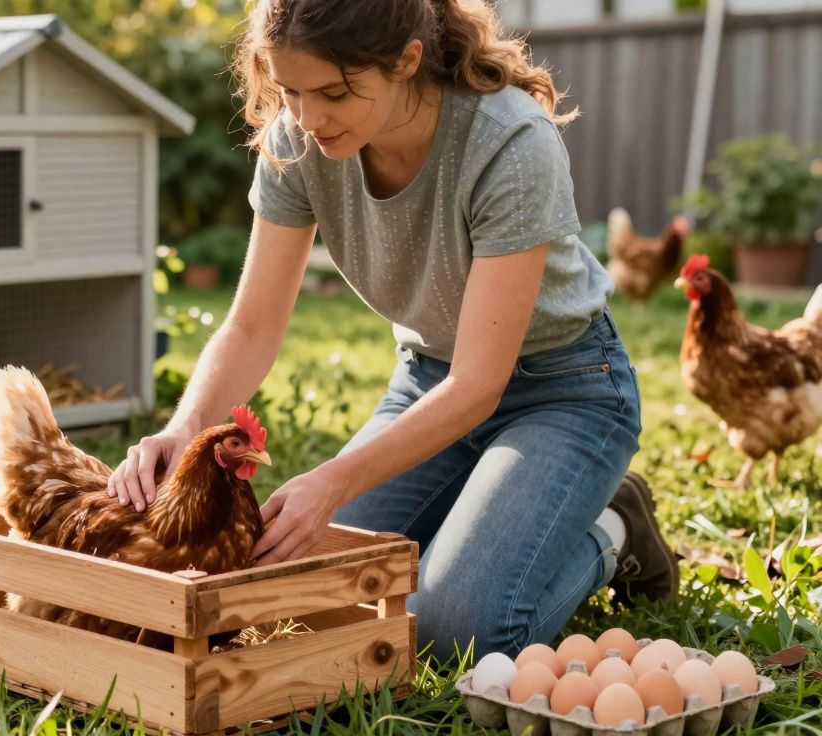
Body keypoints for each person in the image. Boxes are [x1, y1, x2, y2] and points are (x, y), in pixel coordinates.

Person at [107, 0, 679, 659]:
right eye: (289, 90)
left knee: (453, 630)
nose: (307, 118)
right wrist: (183, 432)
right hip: (428, 380)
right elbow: (253, 325)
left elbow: (479, 384)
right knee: (321, 597)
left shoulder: (509, 142)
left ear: (407, 59)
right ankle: (488, 510)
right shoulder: (298, 140)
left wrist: (336, 480)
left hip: (564, 390)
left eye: (333, 92)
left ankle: (613, 528)